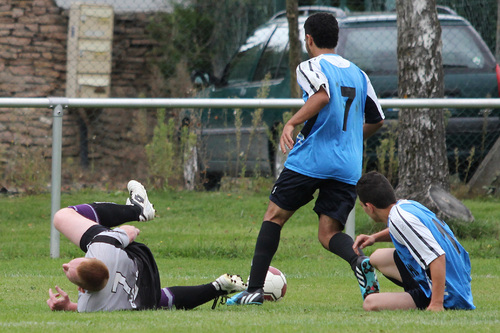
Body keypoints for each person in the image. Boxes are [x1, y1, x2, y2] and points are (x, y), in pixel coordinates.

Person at [226, 12, 385, 306]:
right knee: (329, 233)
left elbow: (322, 95)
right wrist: (348, 138)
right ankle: (358, 261)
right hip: (347, 165)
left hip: (312, 158)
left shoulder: (310, 65)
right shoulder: (359, 73)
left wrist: (291, 123)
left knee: (274, 216)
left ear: (308, 39)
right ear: (335, 39)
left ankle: (254, 291)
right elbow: (377, 119)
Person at [47, 180, 246, 312]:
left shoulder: (90, 305)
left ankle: (217, 287)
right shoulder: (101, 247)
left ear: (82, 290)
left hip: (143, 280)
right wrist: (114, 233)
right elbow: (131, 232)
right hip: (137, 258)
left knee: (152, 301)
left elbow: (82, 307)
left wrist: (67, 306)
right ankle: (136, 209)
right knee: (63, 216)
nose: (66, 264)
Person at [353, 171, 475, 311]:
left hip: (450, 293)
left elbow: (437, 257)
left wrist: (436, 304)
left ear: (369, 207)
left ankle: (430, 298)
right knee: (377, 257)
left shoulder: (399, 219)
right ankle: (420, 288)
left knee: (370, 303)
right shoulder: (406, 206)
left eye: (362, 206)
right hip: (457, 279)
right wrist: (374, 238)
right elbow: (408, 231)